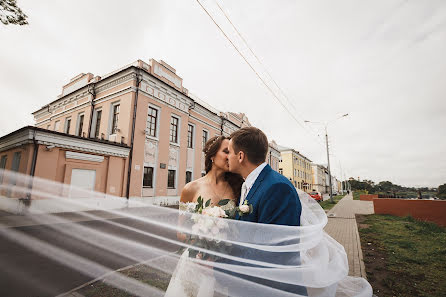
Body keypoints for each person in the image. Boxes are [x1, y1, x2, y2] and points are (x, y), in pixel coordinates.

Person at [223, 126, 307, 296]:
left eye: (229, 151)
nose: (226, 157)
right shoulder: (249, 184)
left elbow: (273, 253)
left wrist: (220, 267)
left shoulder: (277, 187)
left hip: (275, 289)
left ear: (240, 156)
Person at [165, 136, 243, 297]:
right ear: (212, 156)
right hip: (196, 261)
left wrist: (220, 250)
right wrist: (203, 247)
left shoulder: (239, 188)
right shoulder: (191, 189)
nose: (231, 156)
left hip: (224, 265)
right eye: (226, 151)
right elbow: (180, 231)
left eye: (233, 152)